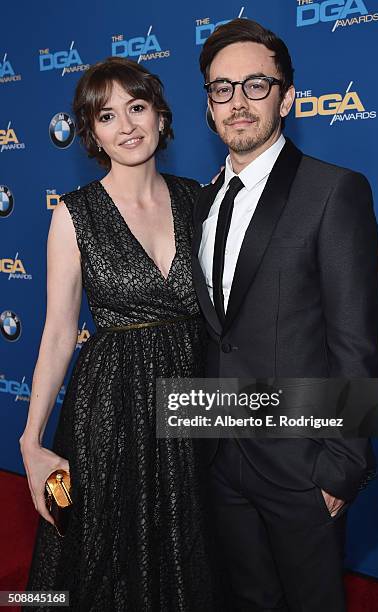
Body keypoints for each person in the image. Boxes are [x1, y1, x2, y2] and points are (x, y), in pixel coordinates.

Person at [192, 18, 378, 612]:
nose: (238, 102)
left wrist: (342, 466)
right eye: (222, 89)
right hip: (216, 451)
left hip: (302, 466)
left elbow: (357, 345)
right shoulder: (200, 201)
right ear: (209, 106)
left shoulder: (334, 191)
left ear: (287, 97)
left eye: (256, 84)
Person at [20, 57, 216, 611]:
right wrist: (31, 440)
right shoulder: (74, 214)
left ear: (159, 114)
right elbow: (59, 332)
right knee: (107, 550)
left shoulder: (200, 200)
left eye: (137, 107)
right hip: (112, 404)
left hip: (192, 390)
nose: (127, 126)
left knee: (194, 536)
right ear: (91, 131)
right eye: (107, 116)